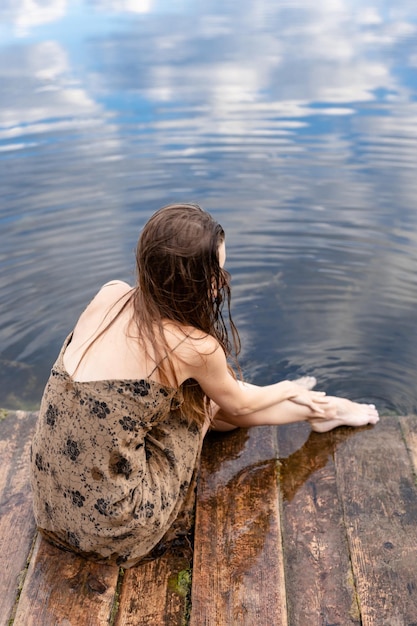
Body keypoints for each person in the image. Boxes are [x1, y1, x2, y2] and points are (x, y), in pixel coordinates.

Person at [30, 203, 379, 568]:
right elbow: (238, 405)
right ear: (191, 281)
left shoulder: (111, 294)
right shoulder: (191, 347)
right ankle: (320, 409)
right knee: (202, 405)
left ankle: (316, 409)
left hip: (53, 504)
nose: (222, 280)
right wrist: (288, 386)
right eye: (216, 271)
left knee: (198, 395)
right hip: (113, 525)